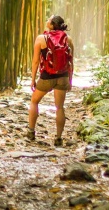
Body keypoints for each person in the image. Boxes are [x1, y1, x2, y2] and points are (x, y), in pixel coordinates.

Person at [27, 15, 74, 146]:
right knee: (59, 107)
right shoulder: (68, 39)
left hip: (47, 77)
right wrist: (70, 80)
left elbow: (36, 61)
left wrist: (33, 79)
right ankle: (58, 138)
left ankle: (31, 131)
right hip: (63, 77)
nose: (47, 19)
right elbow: (71, 62)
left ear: (52, 25)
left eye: (49, 19)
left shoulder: (41, 38)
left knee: (34, 101)